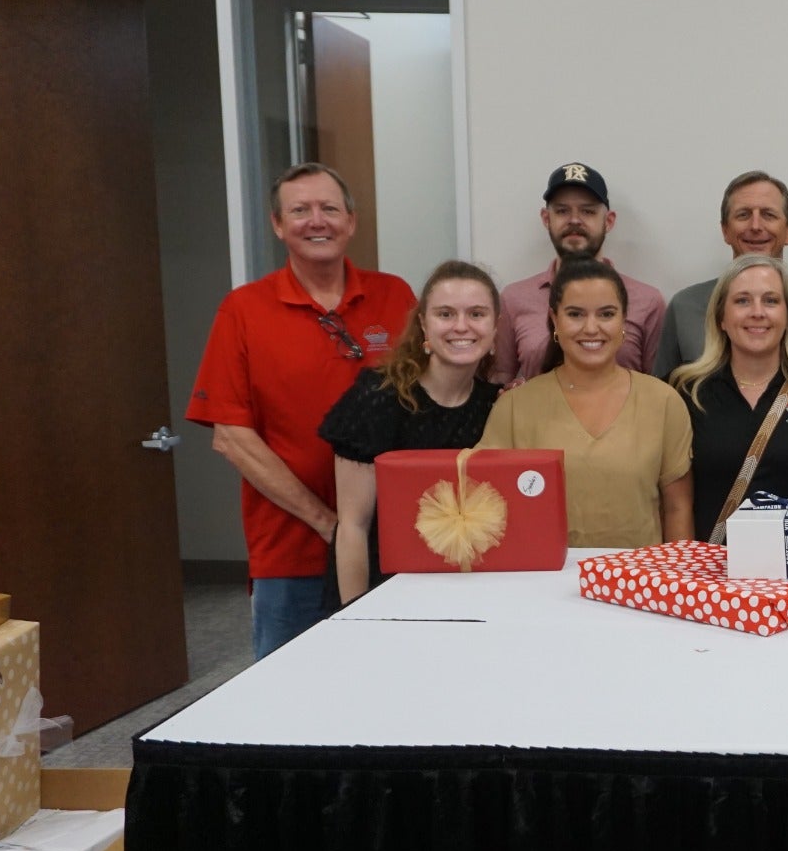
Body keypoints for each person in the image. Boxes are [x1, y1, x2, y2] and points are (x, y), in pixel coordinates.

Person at [186, 162, 416, 658]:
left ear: (351, 221)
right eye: (301, 210)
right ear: (277, 224)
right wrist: (327, 523)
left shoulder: (394, 296)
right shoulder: (243, 310)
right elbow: (230, 435)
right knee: (287, 705)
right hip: (290, 552)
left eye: (330, 208)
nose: (318, 221)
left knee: (394, 687)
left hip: (395, 545)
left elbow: (428, 400)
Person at [318, 261, 503, 605]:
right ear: (423, 325)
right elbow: (353, 527)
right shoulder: (377, 396)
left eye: (477, 314)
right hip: (381, 590)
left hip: (466, 592)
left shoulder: (499, 405)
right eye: (445, 314)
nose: (461, 326)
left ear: (495, 327)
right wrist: (356, 616)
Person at [477, 258, 693, 547]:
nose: (591, 328)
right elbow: (488, 506)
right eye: (575, 314)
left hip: (638, 585)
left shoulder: (663, 402)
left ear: (623, 320)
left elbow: (677, 508)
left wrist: (674, 583)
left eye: (606, 314)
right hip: (537, 584)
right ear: (555, 320)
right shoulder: (515, 407)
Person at [669, 254, 788, 541]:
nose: (757, 312)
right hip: (713, 574)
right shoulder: (686, 393)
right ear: (721, 317)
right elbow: (675, 503)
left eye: (771, 300)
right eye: (742, 301)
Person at [652, 170, 788, 382]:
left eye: (768, 215)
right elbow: (662, 401)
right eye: (743, 215)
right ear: (725, 230)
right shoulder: (684, 308)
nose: (755, 226)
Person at [494, 162, 666, 381]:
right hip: (540, 413)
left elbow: (657, 387)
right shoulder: (513, 299)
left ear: (609, 221)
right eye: (562, 211)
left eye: (588, 211)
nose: (574, 220)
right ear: (547, 219)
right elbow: (500, 379)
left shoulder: (648, 301)